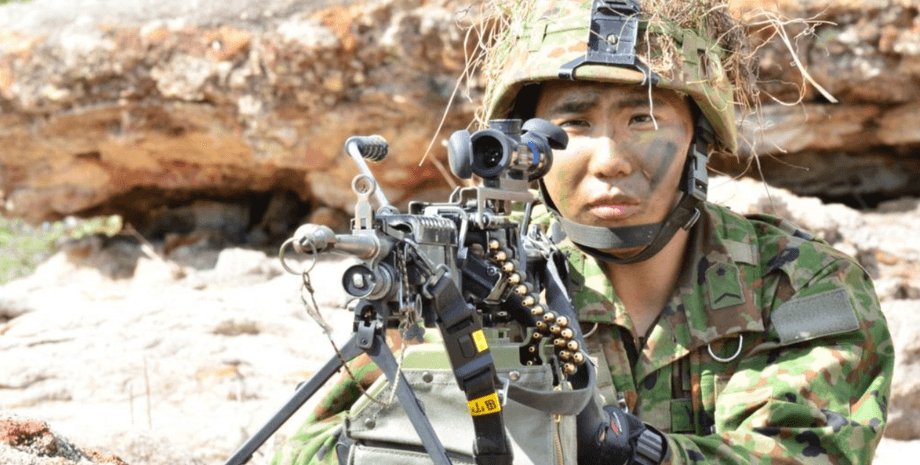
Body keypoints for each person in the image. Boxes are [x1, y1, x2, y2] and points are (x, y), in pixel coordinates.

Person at [273, 1, 894, 464]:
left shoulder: (801, 286)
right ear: (523, 148)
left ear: (699, 142)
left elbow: (810, 452)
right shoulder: (469, 276)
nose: (610, 159)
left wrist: (629, 449)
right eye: (571, 123)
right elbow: (304, 452)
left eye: (642, 118)